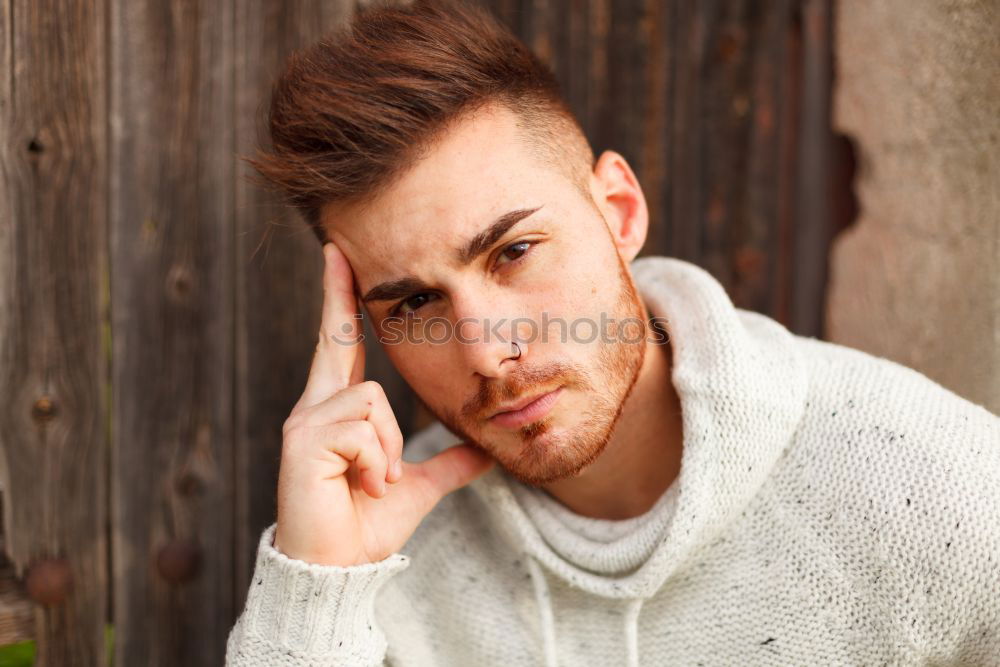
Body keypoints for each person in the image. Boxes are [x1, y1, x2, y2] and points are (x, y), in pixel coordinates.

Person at [225, 1, 1000, 665]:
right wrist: (315, 590)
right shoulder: (375, 557)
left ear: (619, 212)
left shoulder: (926, 483)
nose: (489, 351)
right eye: (416, 305)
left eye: (515, 252)